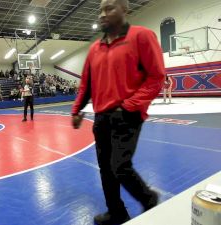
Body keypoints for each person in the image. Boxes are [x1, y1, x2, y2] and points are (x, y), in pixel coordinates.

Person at [71, 0, 165, 224]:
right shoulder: (94, 48)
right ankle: (116, 212)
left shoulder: (142, 36)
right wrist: (76, 109)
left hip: (127, 115)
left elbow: (156, 77)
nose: (103, 14)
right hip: (101, 117)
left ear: (125, 9)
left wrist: (129, 106)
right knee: (105, 169)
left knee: (120, 167)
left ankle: (149, 198)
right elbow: (86, 84)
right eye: (100, 10)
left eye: (109, 8)